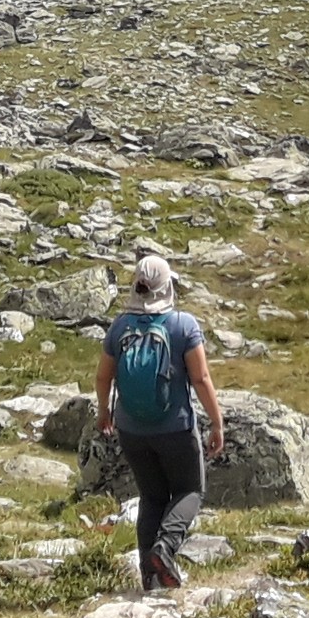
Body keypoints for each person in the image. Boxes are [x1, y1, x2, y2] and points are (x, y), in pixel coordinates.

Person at [95, 253, 225, 591]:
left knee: (152, 497)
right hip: (175, 428)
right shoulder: (183, 325)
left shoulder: (120, 325)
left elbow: (103, 378)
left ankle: (148, 575)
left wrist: (104, 413)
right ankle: (165, 549)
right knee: (190, 490)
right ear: (167, 286)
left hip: (131, 428)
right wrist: (216, 423)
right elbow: (201, 378)